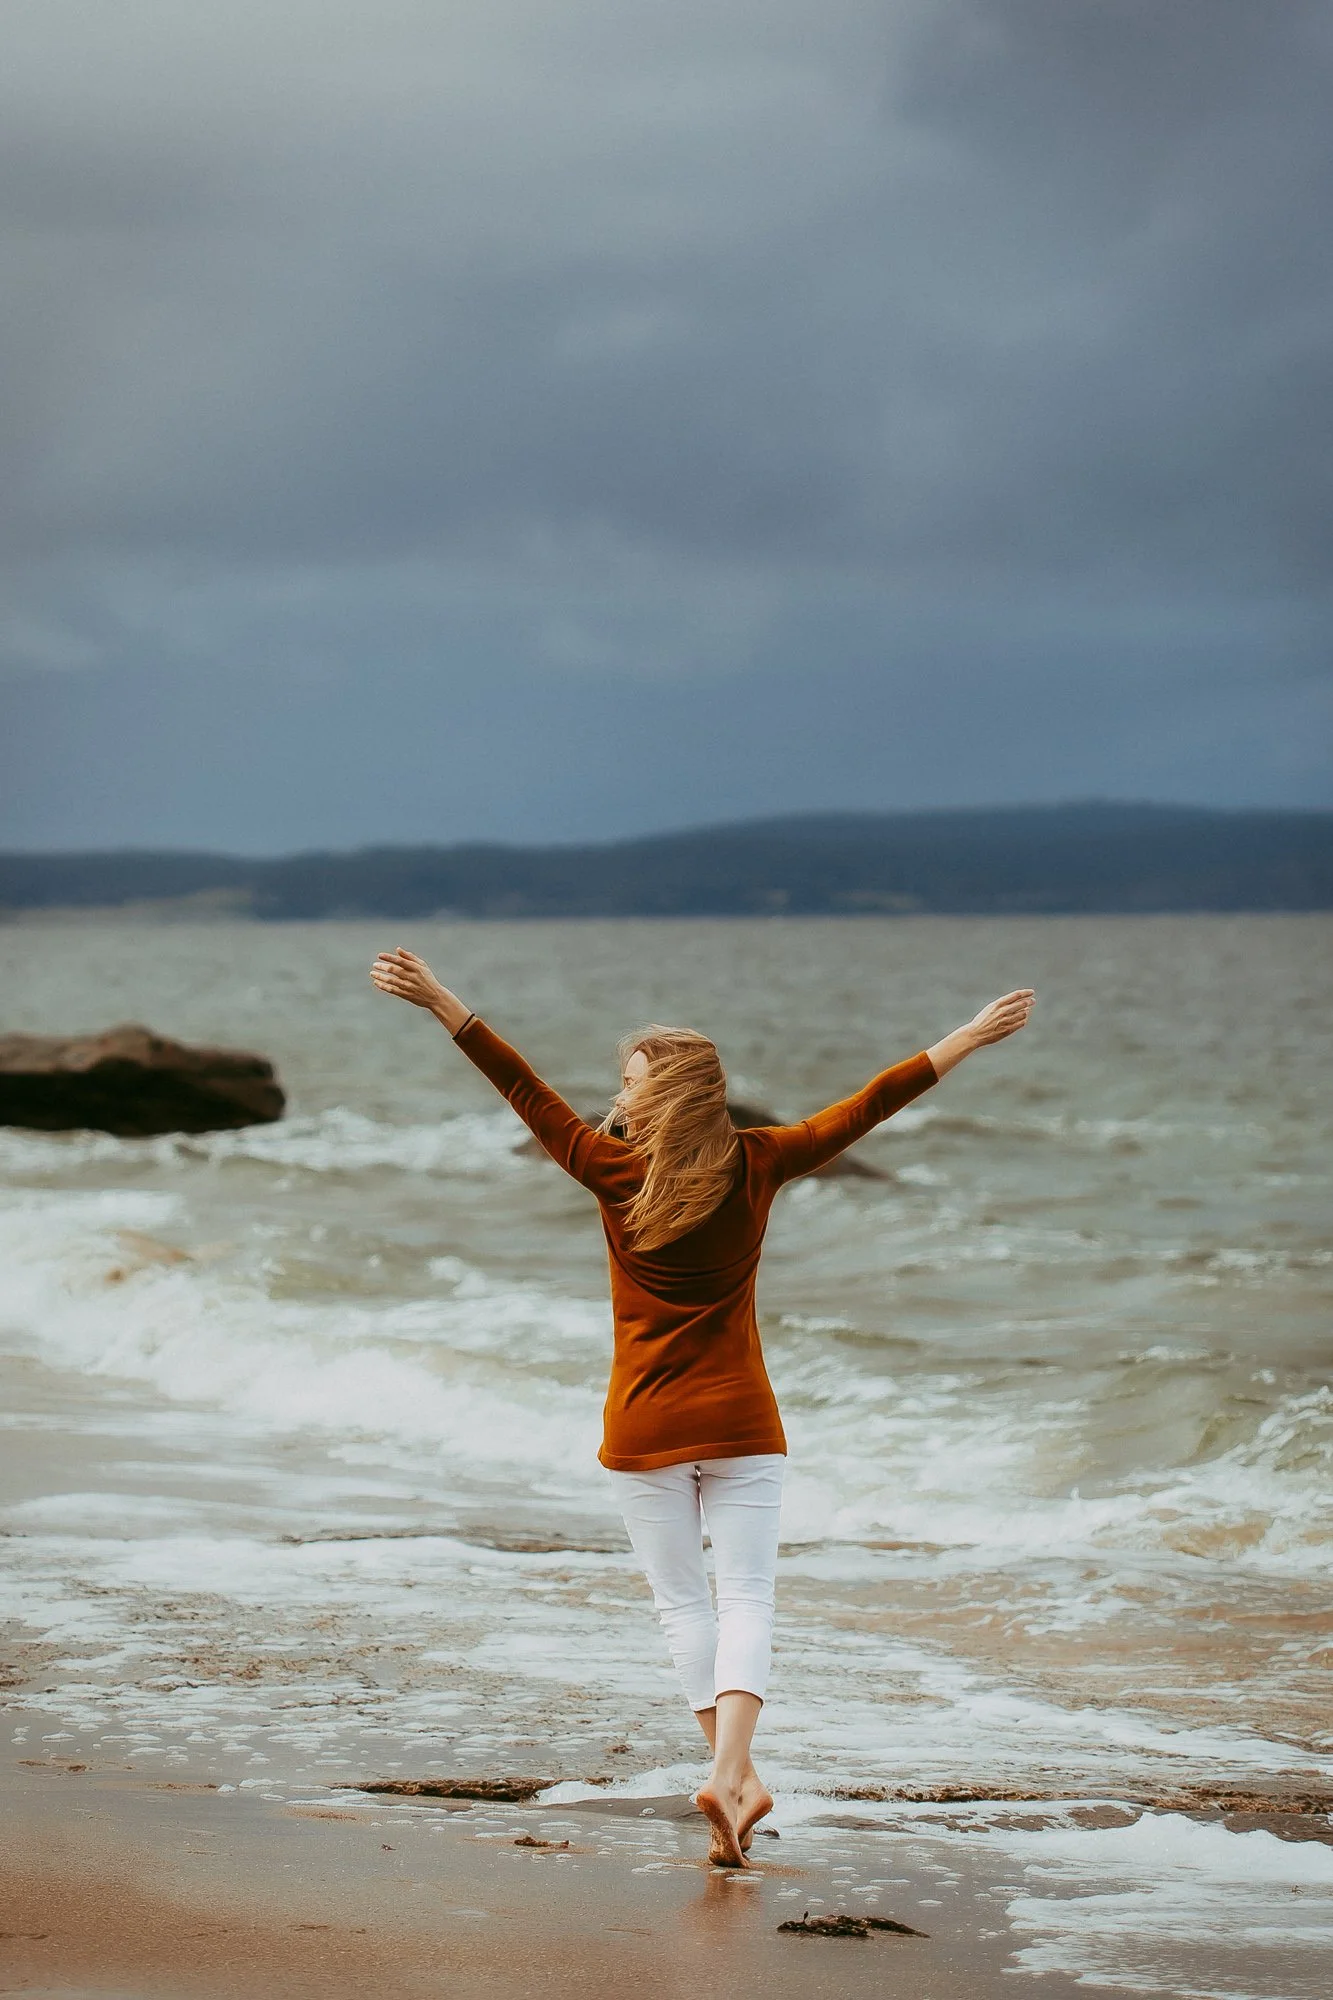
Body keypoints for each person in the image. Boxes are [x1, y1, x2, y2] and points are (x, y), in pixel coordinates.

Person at [370, 946, 1034, 1866]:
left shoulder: (608, 1169)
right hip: (745, 1426)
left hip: (643, 1427)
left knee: (683, 1606)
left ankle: (730, 1777)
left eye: (631, 1081)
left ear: (661, 1097)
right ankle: (736, 1774)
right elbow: (872, 1103)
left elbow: (519, 1087)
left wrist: (441, 1000)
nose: (621, 1093)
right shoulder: (760, 1162)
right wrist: (967, 1034)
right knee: (747, 1596)